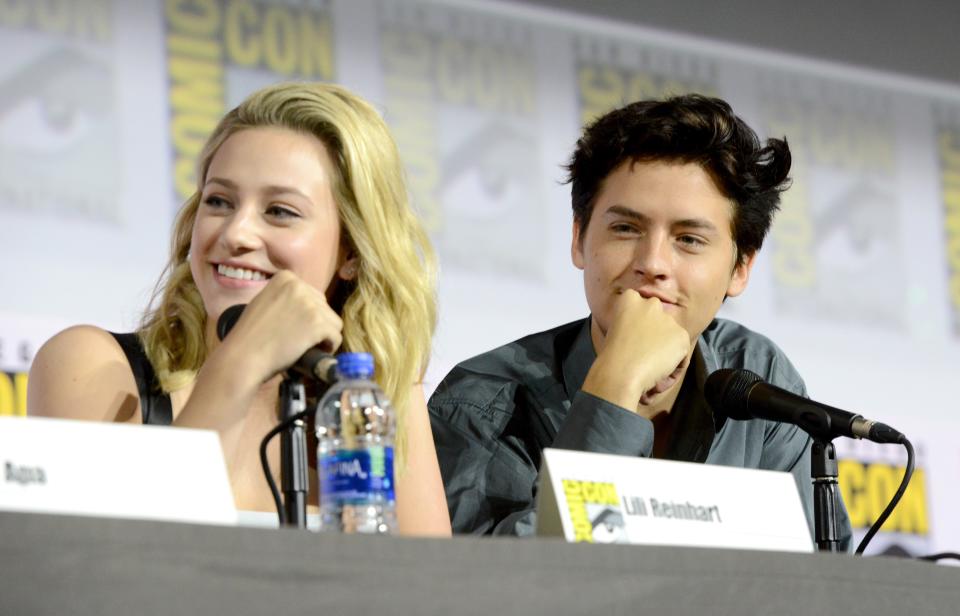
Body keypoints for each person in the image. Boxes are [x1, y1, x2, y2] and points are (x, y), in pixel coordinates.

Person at [28, 82, 451, 536]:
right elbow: (107, 570)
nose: (235, 233)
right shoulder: (89, 363)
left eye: (280, 211)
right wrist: (242, 360)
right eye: (219, 201)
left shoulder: (373, 392)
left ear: (352, 252)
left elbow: (432, 591)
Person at [428, 94, 851, 547]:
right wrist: (614, 386)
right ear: (579, 239)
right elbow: (504, 590)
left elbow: (813, 584)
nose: (652, 263)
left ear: (741, 267)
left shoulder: (757, 376)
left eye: (688, 239)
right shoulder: (480, 401)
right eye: (626, 229)